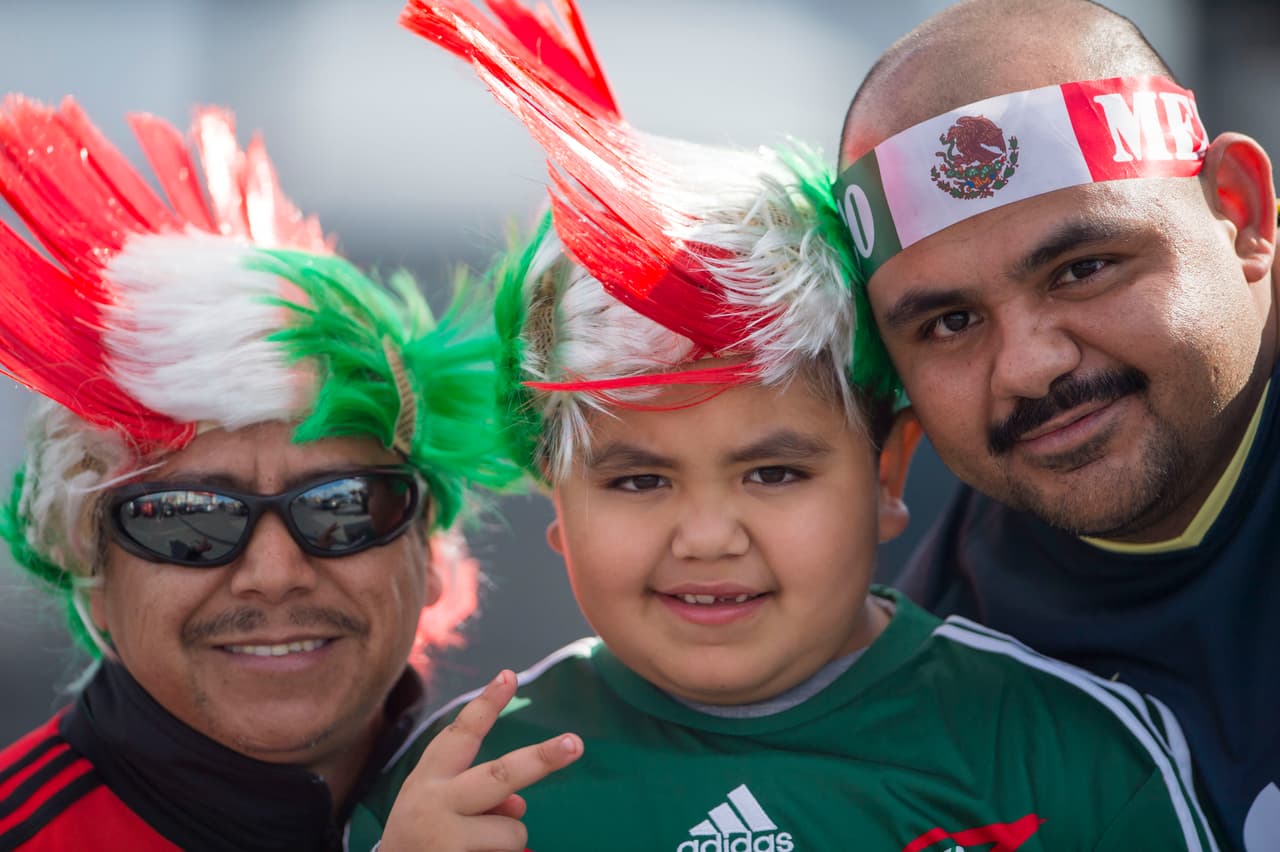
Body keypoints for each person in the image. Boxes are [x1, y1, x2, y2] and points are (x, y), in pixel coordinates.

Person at [362, 2, 1220, 848]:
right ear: (556, 499)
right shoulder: (464, 794)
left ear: (887, 475)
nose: (704, 536)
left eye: (773, 473)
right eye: (637, 480)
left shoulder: (1067, 753)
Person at [0, 96, 569, 850]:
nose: (275, 573)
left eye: (340, 503)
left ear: (431, 550)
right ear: (92, 578)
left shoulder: (570, 805)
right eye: (188, 518)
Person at [832, 0, 1278, 847]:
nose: (1030, 366)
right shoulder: (940, 688)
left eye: (1085, 268)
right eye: (950, 324)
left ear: (1239, 210)